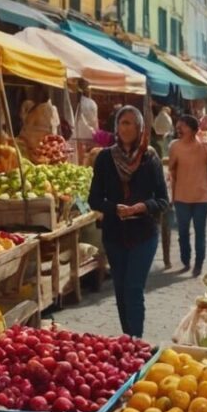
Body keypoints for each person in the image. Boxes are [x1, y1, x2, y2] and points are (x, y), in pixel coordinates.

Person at [89, 106, 169, 339]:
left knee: (134, 289)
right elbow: (94, 199)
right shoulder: (105, 158)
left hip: (143, 233)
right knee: (121, 291)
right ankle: (127, 340)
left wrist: (142, 207)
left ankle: (137, 343)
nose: (125, 128)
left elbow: (163, 199)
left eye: (130, 123)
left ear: (140, 128)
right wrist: (114, 208)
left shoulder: (150, 157)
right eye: (122, 123)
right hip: (115, 234)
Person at [169, 114, 207, 276]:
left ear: (194, 130)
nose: (179, 129)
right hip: (181, 196)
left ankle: (199, 263)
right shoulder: (174, 147)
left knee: (200, 232)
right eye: (178, 126)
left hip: (201, 197)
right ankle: (185, 259)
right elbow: (172, 171)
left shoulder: (204, 146)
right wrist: (171, 195)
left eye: (183, 126)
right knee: (182, 232)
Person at [73, 79, 99, 164]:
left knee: (80, 158)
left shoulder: (78, 103)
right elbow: (95, 121)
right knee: (88, 158)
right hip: (89, 134)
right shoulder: (92, 103)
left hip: (77, 135)